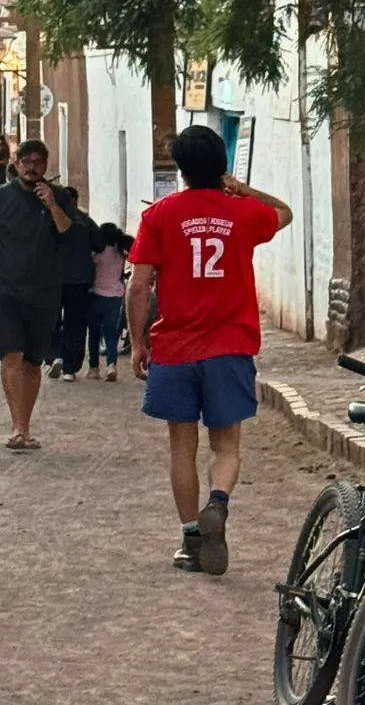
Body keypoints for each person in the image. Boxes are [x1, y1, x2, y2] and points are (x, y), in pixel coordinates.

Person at [127, 125, 292, 576]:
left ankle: (190, 540)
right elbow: (285, 212)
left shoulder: (159, 215)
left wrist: (138, 341)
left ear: (180, 169)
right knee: (226, 446)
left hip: (176, 348)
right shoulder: (242, 213)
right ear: (221, 167)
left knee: (182, 447)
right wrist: (242, 189)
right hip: (230, 346)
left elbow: (139, 285)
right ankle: (217, 503)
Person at [0, 139, 76, 450]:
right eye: (26, 161)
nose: (32, 168)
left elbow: (71, 238)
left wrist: (53, 206)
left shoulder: (59, 198)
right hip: (4, 291)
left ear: (46, 166)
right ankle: (17, 428)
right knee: (11, 355)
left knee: (33, 361)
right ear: (16, 164)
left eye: (38, 162)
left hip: (45, 294)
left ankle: (25, 424)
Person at [46, 188, 104, 383]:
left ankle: (55, 355)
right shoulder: (84, 220)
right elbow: (100, 244)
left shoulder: (48, 219)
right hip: (80, 279)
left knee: (51, 320)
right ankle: (70, 368)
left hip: (53, 278)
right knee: (76, 323)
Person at [87, 223, 133, 381]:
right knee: (111, 333)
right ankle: (111, 365)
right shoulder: (120, 254)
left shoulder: (97, 254)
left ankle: (94, 368)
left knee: (93, 333)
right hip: (115, 297)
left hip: (96, 295)